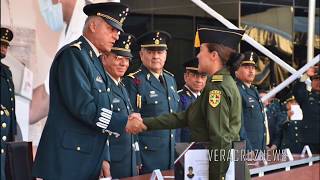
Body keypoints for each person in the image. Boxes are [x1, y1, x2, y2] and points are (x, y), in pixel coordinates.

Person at [32, 3, 146, 179]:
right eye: (111, 29)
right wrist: (123, 122)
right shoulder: (73, 56)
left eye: (117, 31)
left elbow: (103, 110)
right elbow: (84, 108)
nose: (116, 36)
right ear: (93, 26)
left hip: (88, 159)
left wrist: (104, 157)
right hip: (67, 162)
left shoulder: (94, 61)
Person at [128, 25, 251, 180]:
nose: (198, 56)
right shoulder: (220, 82)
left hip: (224, 171)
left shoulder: (217, 87)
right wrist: (145, 123)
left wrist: (216, 177)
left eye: (201, 51)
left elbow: (220, 139)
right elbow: (185, 117)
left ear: (213, 55)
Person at [123, 31, 180, 174]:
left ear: (166, 55)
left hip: (171, 155)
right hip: (147, 158)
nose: (155, 56)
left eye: (160, 52)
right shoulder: (133, 81)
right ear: (141, 55)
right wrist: (135, 158)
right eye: (150, 52)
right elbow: (129, 123)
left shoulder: (171, 79)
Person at [30, 0, 87, 124]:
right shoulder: (72, 27)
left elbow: (44, 101)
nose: (45, 10)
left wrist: (11, 108)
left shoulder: (83, 35)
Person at [100, 33, 140, 178]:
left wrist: (137, 157)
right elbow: (99, 127)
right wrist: (103, 159)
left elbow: (129, 124)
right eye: (118, 58)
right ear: (104, 58)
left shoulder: (122, 86)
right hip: (112, 162)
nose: (124, 64)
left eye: (127, 59)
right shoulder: (102, 87)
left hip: (128, 160)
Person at [235, 51, 267, 152]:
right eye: (246, 67)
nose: (251, 71)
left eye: (253, 67)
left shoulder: (253, 90)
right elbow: (238, 125)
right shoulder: (236, 90)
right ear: (236, 70)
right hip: (247, 150)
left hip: (259, 148)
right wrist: (248, 149)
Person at [176, 57, 207, 142]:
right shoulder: (178, 98)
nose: (199, 80)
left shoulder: (206, 99)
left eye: (203, 76)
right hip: (185, 149)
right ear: (186, 76)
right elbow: (176, 131)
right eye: (195, 76)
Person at [292, 65, 320, 153]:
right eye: (315, 79)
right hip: (309, 140)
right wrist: (306, 75)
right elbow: (297, 89)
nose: (318, 82)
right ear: (311, 82)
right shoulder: (306, 97)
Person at [0, 27, 16, 180]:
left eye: (5, 46)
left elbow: (11, 102)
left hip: (7, 129)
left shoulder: (6, 71)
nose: (4, 48)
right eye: (1, 45)